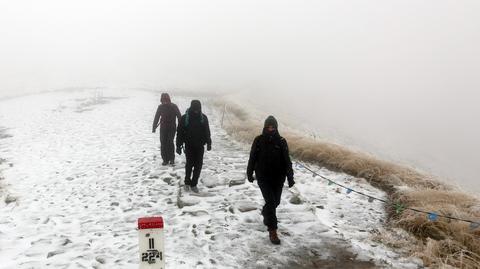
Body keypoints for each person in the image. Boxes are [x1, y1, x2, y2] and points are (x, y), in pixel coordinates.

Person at [247, 116, 295, 245]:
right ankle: (272, 231)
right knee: (271, 202)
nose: (270, 129)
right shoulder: (258, 140)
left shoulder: (281, 141)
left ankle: (265, 212)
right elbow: (252, 157)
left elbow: (287, 161)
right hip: (263, 177)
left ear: (276, 128)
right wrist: (249, 172)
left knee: (275, 202)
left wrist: (290, 177)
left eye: (273, 127)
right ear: (264, 127)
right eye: (268, 127)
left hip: (278, 178)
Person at [176, 100, 212, 193]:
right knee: (189, 164)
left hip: (200, 146)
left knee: (198, 165)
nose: (196, 110)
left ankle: (194, 184)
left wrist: (209, 143)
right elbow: (179, 132)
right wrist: (178, 146)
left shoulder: (203, 118)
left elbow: (207, 131)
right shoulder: (185, 118)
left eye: (198, 109)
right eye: (195, 109)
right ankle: (187, 182)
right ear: (191, 108)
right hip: (189, 145)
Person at [152, 93, 182, 166]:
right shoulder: (160, 107)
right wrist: (154, 127)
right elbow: (156, 117)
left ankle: (171, 159)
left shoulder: (174, 106)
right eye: (163, 100)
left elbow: (179, 117)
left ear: (169, 99)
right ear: (161, 100)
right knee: (163, 143)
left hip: (172, 128)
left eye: (166, 100)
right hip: (163, 128)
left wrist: (180, 127)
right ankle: (165, 159)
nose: (164, 101)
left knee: (169, 142)